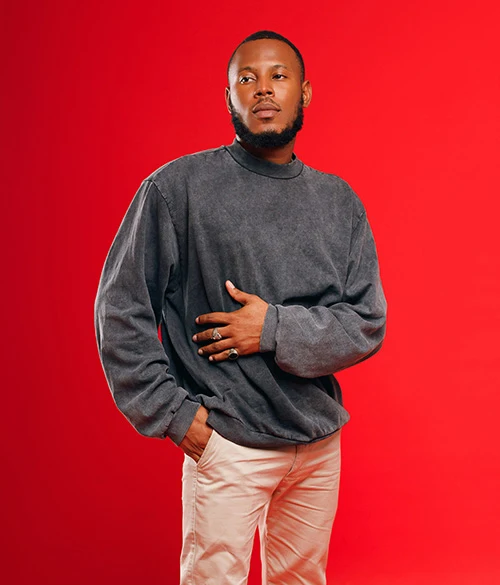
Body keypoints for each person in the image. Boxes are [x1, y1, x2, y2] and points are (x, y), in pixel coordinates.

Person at [94, 30, 387, 585]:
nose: (263, 89)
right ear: (228, 96)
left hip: (318, 444)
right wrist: (175, 417)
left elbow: (366, 323)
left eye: (278, 75)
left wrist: (271, 328)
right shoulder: (176, 189)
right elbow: (120, 309)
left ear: (305, 92)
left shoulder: (339, 202)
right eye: (246, 79)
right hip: (228, 442)